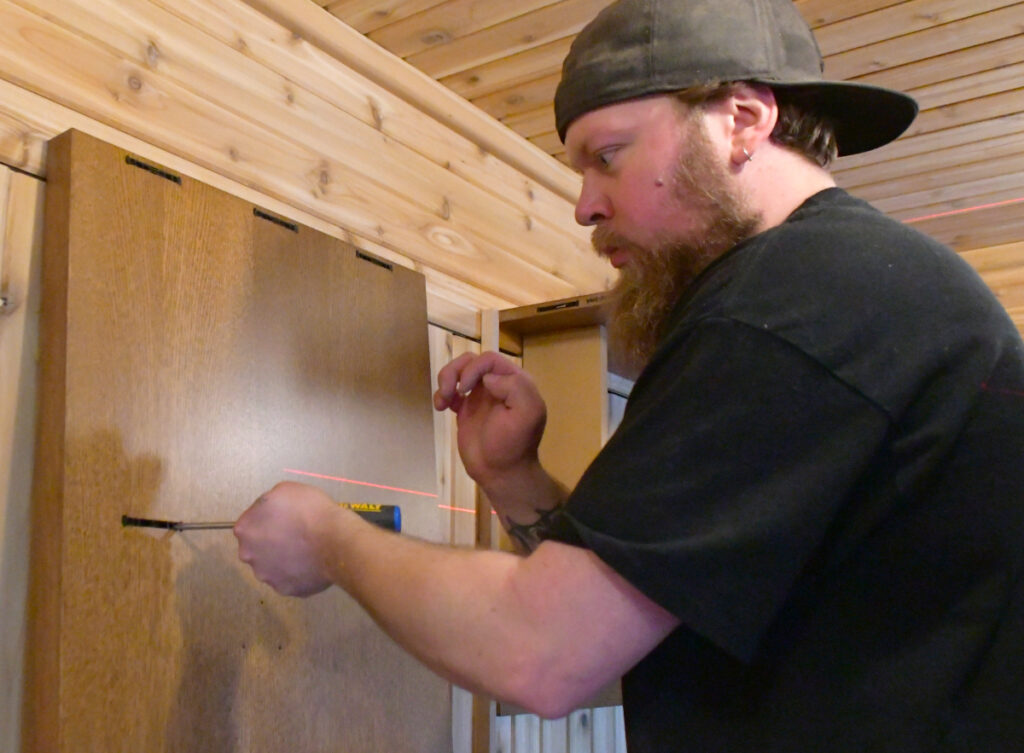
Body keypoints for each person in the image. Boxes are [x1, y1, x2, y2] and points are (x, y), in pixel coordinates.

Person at [234, 0, 1024, 749]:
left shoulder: (793, 301)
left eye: (606, 157)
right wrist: (517, 481)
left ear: (743, 121)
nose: (582, 206)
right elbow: (641, 628)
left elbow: (542, 654)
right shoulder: (838, 291)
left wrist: (327, 538)